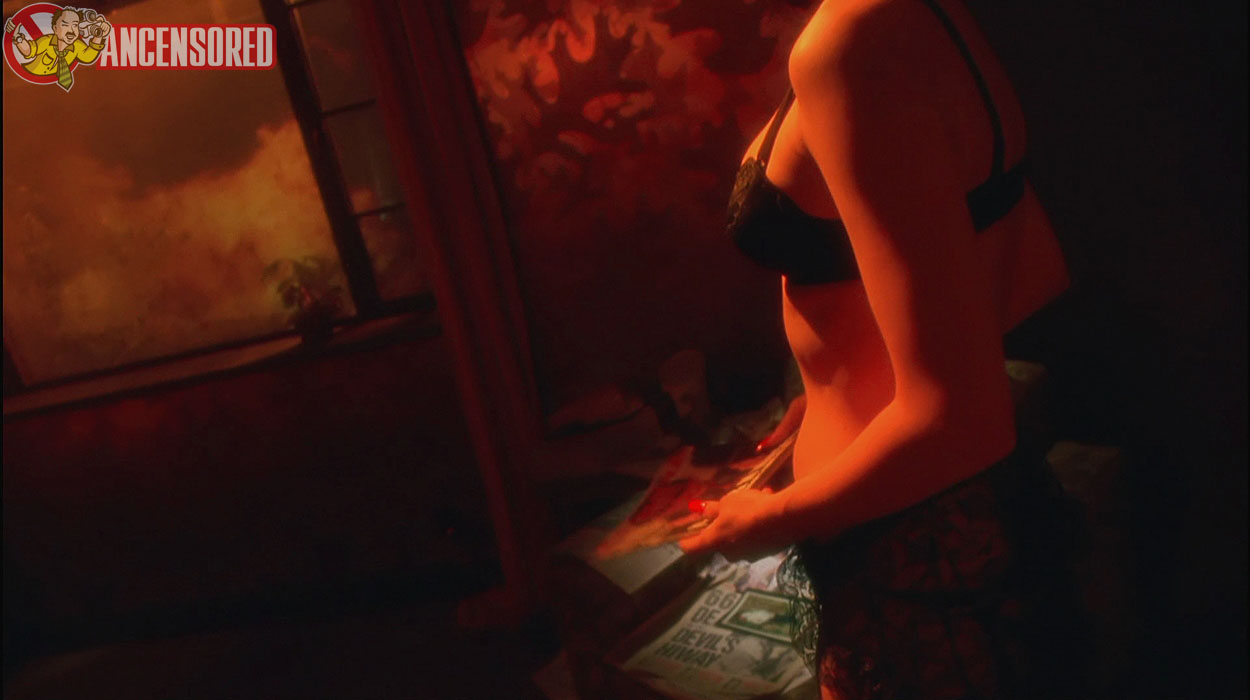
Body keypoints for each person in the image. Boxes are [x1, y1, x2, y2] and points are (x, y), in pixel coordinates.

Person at [679, 0, 1079, 697]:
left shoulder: (847, 51)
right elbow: (1034, 267)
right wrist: (841, 384)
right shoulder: (931, 17)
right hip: (943, 520)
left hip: (902, 542)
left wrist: (769, 521)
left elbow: (966, 420)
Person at [7, 7, 111, 91]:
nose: (71, 31)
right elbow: (29, 50)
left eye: (75, 25)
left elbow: (88, 56)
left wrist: (99, 35)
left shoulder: (77, 45)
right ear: (55, 29)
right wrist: (18, 38)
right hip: (29, 82)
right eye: (65, 25)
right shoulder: (47, 41)